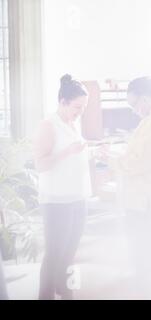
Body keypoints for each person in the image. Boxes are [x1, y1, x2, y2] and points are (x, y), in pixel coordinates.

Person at [109, 77, 151, 298]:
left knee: (147, 255)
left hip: (149, 202)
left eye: (134, 105)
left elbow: (139, 162)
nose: (134, 110)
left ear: (146, 99)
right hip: (150, 199)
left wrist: (110, 159)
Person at [34, 74, 91, 300]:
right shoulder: (48, 125)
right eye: (77, 106)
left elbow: (75, 158)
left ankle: (67, 293)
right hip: (57, 201)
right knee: (54, 254)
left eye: (84, 107)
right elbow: (40, 164)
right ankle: (45, 296)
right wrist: (68, 152)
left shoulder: (73, 124)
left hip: (78, 196)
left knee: (71, 253)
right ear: (63, 102)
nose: (81, 112)